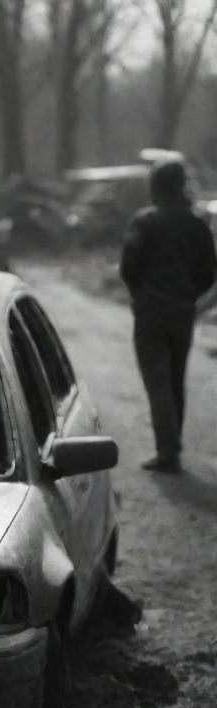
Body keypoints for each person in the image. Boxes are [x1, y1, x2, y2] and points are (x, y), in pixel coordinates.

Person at [119, 158, 217, 473]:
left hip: (151, 311)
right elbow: (209, 272)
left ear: (156, 186)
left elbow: (129, 268)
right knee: (175, 379)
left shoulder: (144, 222)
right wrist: (188, 297)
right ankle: (171, 447)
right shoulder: (198, 224)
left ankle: (167, 451)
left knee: (157, 381)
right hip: (182, 311)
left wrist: (140, 295)